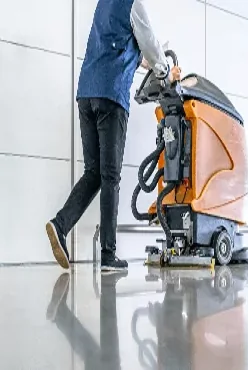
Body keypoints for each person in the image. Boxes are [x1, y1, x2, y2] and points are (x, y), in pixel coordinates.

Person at [46, 0, 182, 271]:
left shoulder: (104, 4)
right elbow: (152, 45)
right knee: (110, 176)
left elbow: (128, 49)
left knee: (94, 172)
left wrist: (155, 66)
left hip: (86, 93)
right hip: (111, 95)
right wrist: (167, 72)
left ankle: (59, 225)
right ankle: (108, 256)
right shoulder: (133, 4)